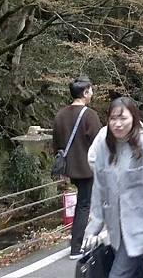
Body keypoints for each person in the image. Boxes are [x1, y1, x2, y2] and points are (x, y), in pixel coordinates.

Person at [83, 97, 143, 278]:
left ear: (134, 118)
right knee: (137, 273)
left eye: (123, 118)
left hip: (139, 227)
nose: (118, 124)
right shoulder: (104, 147)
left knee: (118, 275)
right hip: (116, 227)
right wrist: (94, 226)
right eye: (113, 119)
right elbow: (99, 189)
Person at [52, 76, 102, 259]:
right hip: (87, 168)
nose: (92, 93)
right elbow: (99, 143)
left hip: (69, 168)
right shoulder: (90, 115)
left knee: (83, 203)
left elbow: (56, 143)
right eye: (91, 90)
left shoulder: (60, 114)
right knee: (83, 205)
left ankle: (80, 239)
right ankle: (76, 246)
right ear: (85, 93)